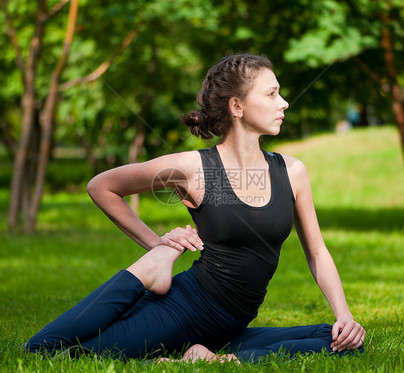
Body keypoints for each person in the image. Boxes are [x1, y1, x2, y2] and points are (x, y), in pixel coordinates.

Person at [24, 53, 365, 363]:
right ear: (237, 106)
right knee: (55, 351)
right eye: (271, 94)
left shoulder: (291, 172)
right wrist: (156, 245)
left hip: (229, 325)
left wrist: (344, 315)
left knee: (343, 340)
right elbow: (102, 186)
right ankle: (151, 270)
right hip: (183, 309)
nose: (284, 103)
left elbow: (317, 252)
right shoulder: (196, 168)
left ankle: (210, 357)